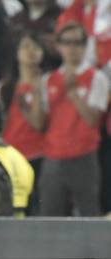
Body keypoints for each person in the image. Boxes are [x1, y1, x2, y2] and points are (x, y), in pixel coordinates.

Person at [28, 22, 109, 216]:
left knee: (89, 215)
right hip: (53, 157)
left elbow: (93, 120)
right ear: (58, 46)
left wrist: (73, 92)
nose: (72, 48)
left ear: (85, 45)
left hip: (84, 157)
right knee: (49, 217)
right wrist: (37, 95)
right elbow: (39, 125)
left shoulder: (97, 78)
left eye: (77, 42)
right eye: (66, 42)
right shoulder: (48, 80)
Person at [0, 32, 47, 214]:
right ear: (16, 53)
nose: (31, 51)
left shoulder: (47, 83)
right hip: (11, 156)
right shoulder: (5, 88)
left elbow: (41, 123)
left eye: (35, 47)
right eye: (25, 46)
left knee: (34, 208)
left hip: (38, 156)